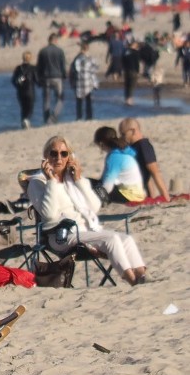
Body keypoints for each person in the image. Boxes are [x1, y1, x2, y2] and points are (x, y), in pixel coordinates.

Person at [27, 136, 147, 285]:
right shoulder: (37, 182)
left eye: (64, 154)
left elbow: (94, 206)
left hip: (84, 231)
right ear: (46, 157)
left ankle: (142, 277)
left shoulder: (71, 179)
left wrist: (78, 180)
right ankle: (133, 281)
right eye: (53, 153)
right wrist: (51, 181)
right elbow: (49, 215)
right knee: (111, 239)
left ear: (69, 157)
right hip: (60, 236)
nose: (58, 158)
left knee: (127, 239)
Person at [118, 117, 170, 201]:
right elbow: (146, 174)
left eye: (123, 134)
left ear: (133, 131)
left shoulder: (143, 146)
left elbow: (155, 172)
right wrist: (151, 197)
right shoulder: (134, 147)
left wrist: (166, 197)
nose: (122, 137)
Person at [92, 126, 145, 204]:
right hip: (137, 193)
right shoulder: (123, 151)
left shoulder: (114, 157)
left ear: (101, 143)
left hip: (129, 196)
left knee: (89, 184)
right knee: (93, 183)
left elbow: (107, 187)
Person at [36, 33, 66, 124]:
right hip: (57, 77)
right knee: (60, 99)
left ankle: (47, 119)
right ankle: (54, 116)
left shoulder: (43, 51)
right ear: (56, 40)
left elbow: (39, 66)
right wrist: (64, 76)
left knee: (46, 100)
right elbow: (62, 65)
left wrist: (39, 78)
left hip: (46, 77)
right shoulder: (60, 51)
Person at [69, 42, 98, 121]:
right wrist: (95, 83)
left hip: (78, 82)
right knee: (88, 101)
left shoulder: (76, 58)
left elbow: (72, 71)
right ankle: (89, 117)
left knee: (79, 101)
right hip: (88, 82)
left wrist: (71, 82)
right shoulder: (90, 58)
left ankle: (79, 117)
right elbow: (94, 71)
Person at [11, 51, 39, 129]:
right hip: (30, 91)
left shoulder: (18, 68)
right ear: (30, 58)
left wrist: (18, 87)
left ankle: (23, 122)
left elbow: (13, 81)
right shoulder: (33, 68)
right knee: (30, 108)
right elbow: (37, 79)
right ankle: (26, 120)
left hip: (20, 92)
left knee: (23, 108)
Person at [122, 41, 141, 106]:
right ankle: (129, 100)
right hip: (133, 70)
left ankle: (126, 99)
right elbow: (137, 63)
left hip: (126, 70)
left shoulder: (125, 51)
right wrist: (138, 71)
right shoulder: (135, 52)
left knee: (127, 85)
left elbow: (122, 60)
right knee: (131, 85)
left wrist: (124, 68)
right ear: (134, 45)